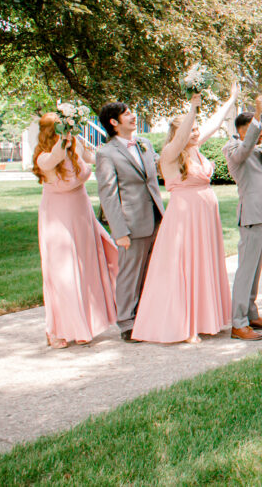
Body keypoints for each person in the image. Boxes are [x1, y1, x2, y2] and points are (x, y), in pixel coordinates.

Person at [132, 85, 239, 343]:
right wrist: (193, 107)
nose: (196, 132)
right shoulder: (171, 152)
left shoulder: (195, 148)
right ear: (179, 132)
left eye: (196, 129)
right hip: (185, 216)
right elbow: (181, 138)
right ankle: (185, 324)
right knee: (186, 264)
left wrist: (231, 99)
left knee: (202, 263)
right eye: (192, 129)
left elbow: (214, 124)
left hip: (205, 217)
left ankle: (203, 319)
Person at [34, 115, 118, 348]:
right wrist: (65, 140)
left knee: (87, 267)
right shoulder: (44, 158)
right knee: (63, 272)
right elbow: (55, 157)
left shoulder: (75, 147)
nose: (71, 134)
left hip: (81, 213)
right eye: (64, 129)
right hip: (58, 217)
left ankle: (86, 324)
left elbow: (97, 156)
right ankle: (56, 329)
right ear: (53, 132)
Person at [96, 100, 166, 342]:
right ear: (113, 122)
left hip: (156, 217)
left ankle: (146, 318)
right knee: (129, 274)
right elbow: (108, 195)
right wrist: (119, 231)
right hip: (131, 223)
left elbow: (156, 171)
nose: (132, 116)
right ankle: (126, 322)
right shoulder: (106, 153)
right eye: (126, 114)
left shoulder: (144, 143)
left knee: (151, 271)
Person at [224, 95, 262, 341]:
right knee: (245, 270)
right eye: (255, 129)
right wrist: (258, 114)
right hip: (250, 215)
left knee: (255, 269)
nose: (261, 134)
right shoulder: (233, 149)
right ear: (243, 130)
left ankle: (251, 314)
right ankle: (238, 323)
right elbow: (248, 146)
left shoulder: (255, 143)